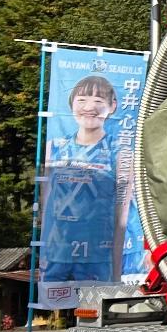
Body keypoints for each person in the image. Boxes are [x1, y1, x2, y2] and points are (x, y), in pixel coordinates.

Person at [40, 74, 129, 290]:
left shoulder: (120, 151)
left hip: (99, 257)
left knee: (94, 312)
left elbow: (122, 216)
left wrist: (117, 275)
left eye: (98, 101)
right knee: (57, 306)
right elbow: (46, 206)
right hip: (57, 254)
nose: (89, 107)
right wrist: (43, 254)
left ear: (112, 106)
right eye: (82, 100)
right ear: (71, 104)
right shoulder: (55, 146)